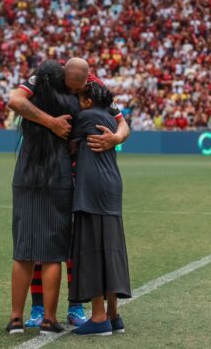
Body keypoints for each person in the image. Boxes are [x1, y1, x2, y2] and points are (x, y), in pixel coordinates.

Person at [12, 58, 129, 328]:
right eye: (71, 89)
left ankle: (75, 305)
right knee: (44, 242)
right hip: (48, 169)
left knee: (74, 243)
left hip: (78, 173)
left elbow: (122, 123)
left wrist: (116, 138)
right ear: (63, 76)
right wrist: (51, 122)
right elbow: (15, 100)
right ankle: (38, 308)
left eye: (80, 91)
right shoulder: (44, 78)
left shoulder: (94, 86)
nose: (76, 95)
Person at [6, 60, 80, 335]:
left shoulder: (31, 101)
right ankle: (49, 318)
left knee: (23, 251)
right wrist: (54, 124)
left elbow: (16, 100)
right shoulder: (71, 104)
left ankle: (16, 318)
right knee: (52, 255)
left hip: (26, 175)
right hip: (58, 177)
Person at [69, 82, 131, 335]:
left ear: (87, 100)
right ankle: (114, 315)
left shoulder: (86, 117)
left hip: (92, 189)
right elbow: (124, 126)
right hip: (111, 187)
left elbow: (64, 136)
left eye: (80, 98)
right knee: (111, 248)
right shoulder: (109, 117)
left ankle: (98, 317)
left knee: (92, 248)